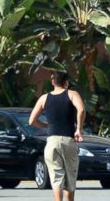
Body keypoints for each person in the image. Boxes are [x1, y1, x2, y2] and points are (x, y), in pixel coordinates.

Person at [29, 71, 86, 201]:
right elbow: (81, 109)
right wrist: (79, 129)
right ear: (66, 82)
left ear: (53, 82)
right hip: (68, 140)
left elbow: (31, 121)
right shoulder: (72, 94)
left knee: (56, 179)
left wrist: (46, 126)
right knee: (70, 178)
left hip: (51, 141)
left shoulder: (44, 98)